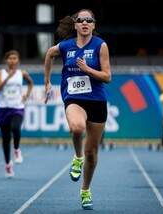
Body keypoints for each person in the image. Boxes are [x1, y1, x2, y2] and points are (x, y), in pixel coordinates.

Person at [44, 9, 111, 210]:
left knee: (92, 152)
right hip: (74, 98)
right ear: (75, 25)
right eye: (80, 20)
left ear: (93, 25)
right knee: (77, 128)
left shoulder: (101, 45)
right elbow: (49, 54)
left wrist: (88, 70)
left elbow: (108, 76)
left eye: (88, 20)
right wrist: (46, 82)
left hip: (97, 101)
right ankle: (77, 157)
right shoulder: (65, 46)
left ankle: (85, 190)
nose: (84, 22)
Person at [0, 50, 33, 178]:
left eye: (15, 58)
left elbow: (30, 83)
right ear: (6, 60)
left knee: (16, 128)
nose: (12, 61)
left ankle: (16, 149)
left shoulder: (22, 73)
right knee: (5, 139)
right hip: (3, 108)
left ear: (18, 61)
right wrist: (7, 78)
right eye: (10, 58)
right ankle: (8, 164)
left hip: (17, 107)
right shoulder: (1, 73)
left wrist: (27, 94)